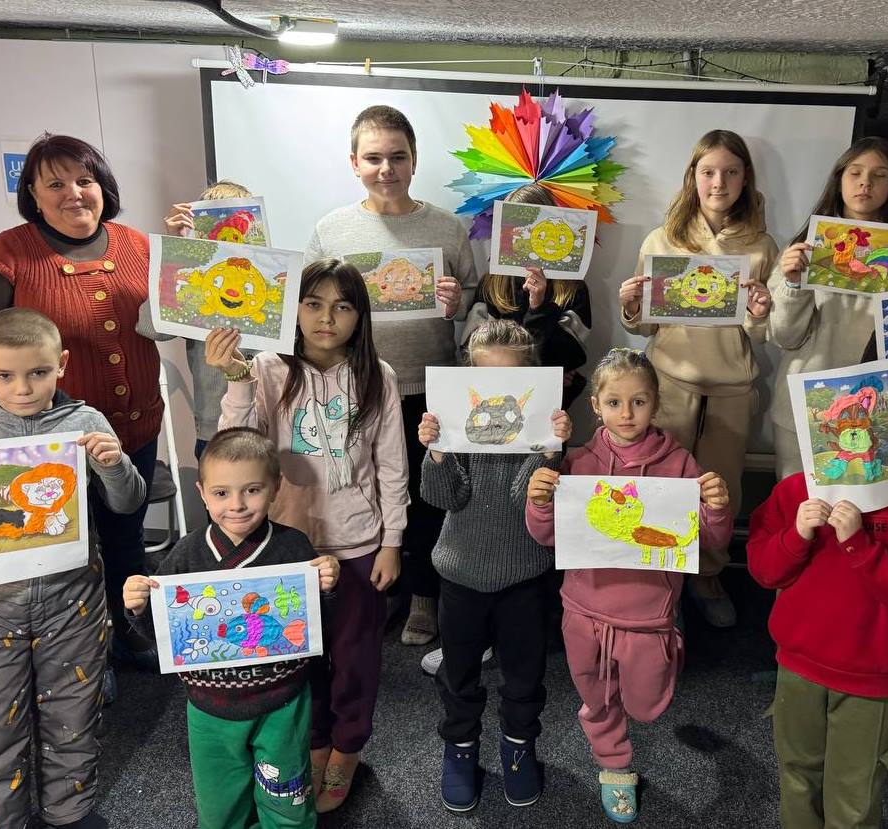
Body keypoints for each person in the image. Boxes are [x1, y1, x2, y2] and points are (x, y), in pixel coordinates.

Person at [0, 307, 146, 829]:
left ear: (61, 364)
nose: (22, 388)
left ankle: (70, 812)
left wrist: (114, 465)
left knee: (74, 713)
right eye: (5, 375)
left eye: (38, 372)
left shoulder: (85, 423)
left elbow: (128, 503)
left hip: (73, 600)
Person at [208, 258, 408, 813]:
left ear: (359, 316)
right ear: (293, 310)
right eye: (313, 304)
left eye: (342, 307)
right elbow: (234, 451)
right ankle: (316, 743)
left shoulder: (378, 375)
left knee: (356, 658)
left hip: (358, 544)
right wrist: (236, 380)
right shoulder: (267, 368)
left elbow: (392, 464)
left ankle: (347, 748)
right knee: (298, 657)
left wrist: (392, 540)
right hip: (287, 547)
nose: (326, 318)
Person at [0, 133, 162, 669]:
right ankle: (81, 653)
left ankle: (128, 630)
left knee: (126, 532)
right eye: (55, 183)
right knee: (61, 546)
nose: (73, 192)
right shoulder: (4, 257)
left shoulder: (139, 246)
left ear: (103, 187)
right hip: (45, 443)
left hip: (134, 429)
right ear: (32, 193)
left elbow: (168, 319)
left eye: (85, 180)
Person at [526, 347, 733, 823]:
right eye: (614, 402)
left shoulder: (680, 464)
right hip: (584, 609)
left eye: (638, 402)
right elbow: (546, 535)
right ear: (595, 406)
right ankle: (614, 766)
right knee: (597, 699)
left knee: (646, 702)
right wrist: (539, 503)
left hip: (649, 616)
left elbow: (710, 540)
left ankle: (665, 659)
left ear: (655, 404)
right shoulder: (577, 463)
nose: (626, 413)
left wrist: (717, 508)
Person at [304, 105, 479, 649]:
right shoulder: (331, 228)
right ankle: (375, 591)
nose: (387, 169)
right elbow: (308, 304)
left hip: (429, 388)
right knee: (363, 491)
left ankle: (423, 594)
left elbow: (477, 300)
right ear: (354, 162)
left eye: (398, 157)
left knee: (427, 498)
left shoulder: (446, 226)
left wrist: (457, 303)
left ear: (414, 160)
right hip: (352, 387)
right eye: (374, 158)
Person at [123, 427, 338, 829]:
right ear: (202, 493)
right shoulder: (187, 552)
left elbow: (318, 629)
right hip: (210, 708)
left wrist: (325, 589)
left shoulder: (294, 548)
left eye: (252, 490)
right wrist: (138, 607)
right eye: (221, 493)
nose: (237, 505)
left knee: (287, 800)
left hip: (283, 703)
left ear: (275, 487)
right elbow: (164, 636)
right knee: (220, 804)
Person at [616, 130, 775, 628]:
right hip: (670, 384)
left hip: (731, 389)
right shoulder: (662, 239)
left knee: (721, 488)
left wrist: (760, 312)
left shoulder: (761, 245)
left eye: (730, 172)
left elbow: (764, 332)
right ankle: (661, 577)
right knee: (662, 484)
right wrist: (630, 305)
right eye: (708, 172)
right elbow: (644, 326)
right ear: (693, 177)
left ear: (745, 178)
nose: (718, 182)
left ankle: (708, 575)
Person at [418, 319, 570, 812]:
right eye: (488, 380)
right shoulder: (460, 430)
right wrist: (438, 453)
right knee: (459, 673)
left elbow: (521, 498)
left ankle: (519, 747)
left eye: (512, 380)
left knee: (524, 675)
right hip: (459, 573)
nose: (499, 393)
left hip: (524, 574)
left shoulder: (543, 435)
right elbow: (444, 497)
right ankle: (460, 748)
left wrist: (548, 449)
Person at [747, 466, 888, 829]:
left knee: (855, 790)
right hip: (798, 666)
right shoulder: (794, 491)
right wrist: (797, 534)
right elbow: (764, 570)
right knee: (797, 774)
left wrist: (859, 544)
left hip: (870, 678)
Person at [766, 136, 888, 479]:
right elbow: (783, 337)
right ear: (839, 180)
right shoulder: (802, 250)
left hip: (873, 409)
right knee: (798, 502)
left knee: (863, 504)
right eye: (855, 173)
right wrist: (793, 283)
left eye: (879, 175)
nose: (865, 183)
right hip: (807, 406)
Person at [137, 180, 256, 459]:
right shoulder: (195, 283)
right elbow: (151, 327)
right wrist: (176, 250)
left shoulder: (270, 282)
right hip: (215, 425)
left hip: (272, 421)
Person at [462, 182, 593, 409]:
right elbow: (471, 349)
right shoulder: (492, 284)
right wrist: (548, 370)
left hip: (549, 402)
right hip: (495, 395)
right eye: (519, 231)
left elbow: (571, 355)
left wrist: (539, 309)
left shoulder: (572, 288)